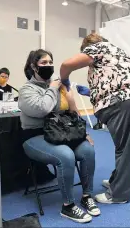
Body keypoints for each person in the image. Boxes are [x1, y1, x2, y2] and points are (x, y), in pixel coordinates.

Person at [60, 33, 130, 204]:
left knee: (124, 149)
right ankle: (116, 182)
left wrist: (64, 79)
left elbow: (67, 64)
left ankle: (119, 195)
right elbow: (114, 80)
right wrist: (90, 92)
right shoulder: (117, 52)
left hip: (124, 103)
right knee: (126, 147)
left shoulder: (97, 48)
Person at [19, 49, 100, 223]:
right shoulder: (27, 90)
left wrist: (83, 133)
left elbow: (71, 112)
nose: (48, 66)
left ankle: (87, 195)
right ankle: (68, 206)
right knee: (65, 155)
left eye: (50, 62)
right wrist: (52, 89)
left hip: (61, 133)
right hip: (35, 138)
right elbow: (43, 108)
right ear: (34, 67)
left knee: (87, 150)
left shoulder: (59, 85)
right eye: (43, 63)